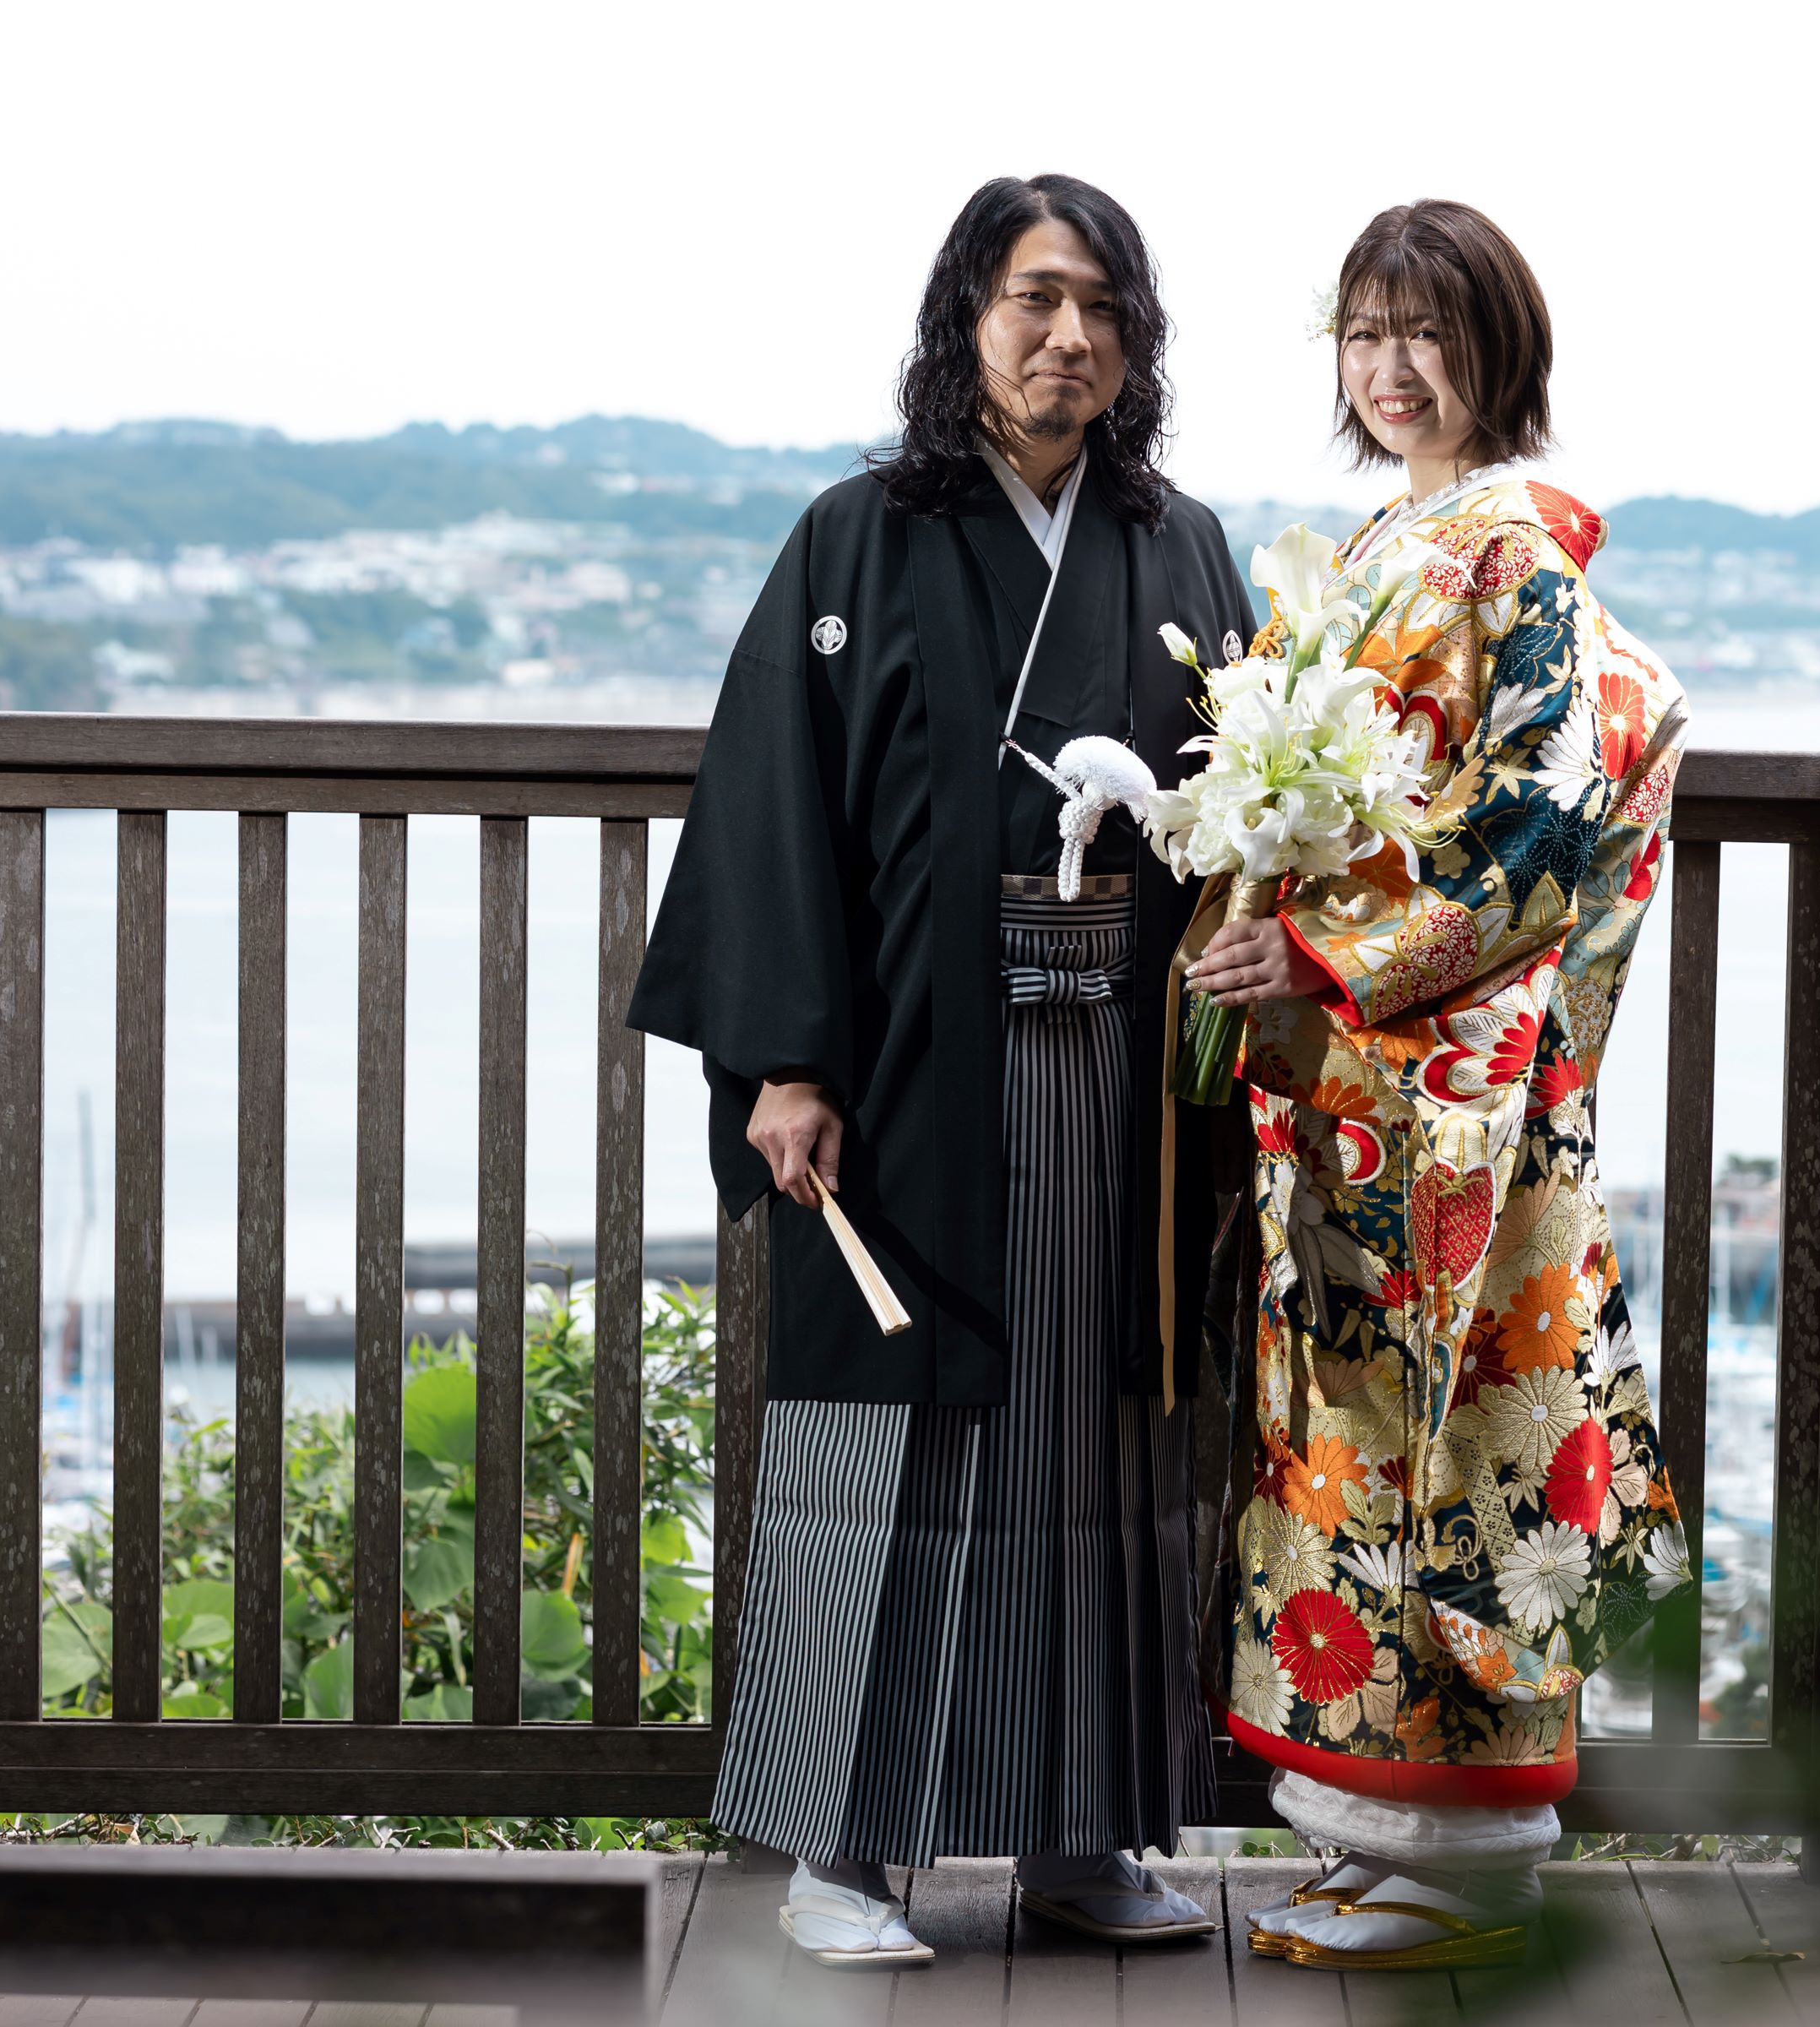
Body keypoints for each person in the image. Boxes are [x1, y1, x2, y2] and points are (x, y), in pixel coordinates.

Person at [627, 173, 1254, 1967]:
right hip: (913, 1072)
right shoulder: (857, 537)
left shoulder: (1183, 548)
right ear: (966, 318)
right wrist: (784, 1061)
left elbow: (1245, 806)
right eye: (1035, 299)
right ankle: (843, 1853)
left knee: (1101, 1442)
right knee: (887, 1443)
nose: (1071, 338)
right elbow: (776, 806)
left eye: (1104, 309)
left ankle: (1080, 1835)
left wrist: (1250, 944)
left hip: (1122, 1077)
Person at [1183, 198, 1696, 1971]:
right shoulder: (1386, 542)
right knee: (1346, 1446)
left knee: (1457, 1439)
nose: (1390, 369)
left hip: (1453, 1097)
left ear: (1498, 350)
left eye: (1426, 331)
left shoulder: (1510, 552)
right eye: (1363, 331)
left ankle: (1469, 1860)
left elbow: (1546, 813)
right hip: (1363, 1096)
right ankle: (1370, 1829)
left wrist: (1331, 950)